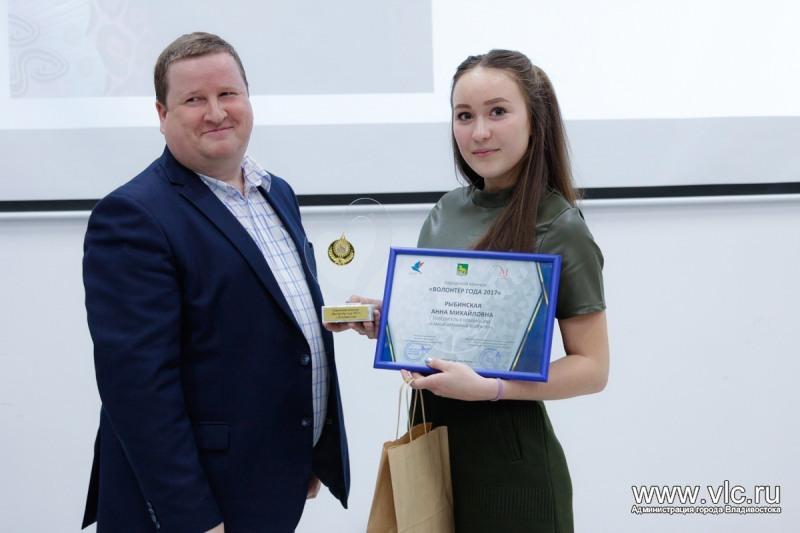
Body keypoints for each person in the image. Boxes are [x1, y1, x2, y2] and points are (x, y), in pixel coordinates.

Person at [328, 50, 609, 532]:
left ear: (535, 120)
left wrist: (493, 389)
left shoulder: (559, 225)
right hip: (431, 447)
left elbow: (593, 368)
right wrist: (392, 321)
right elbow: (447, 327)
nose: (479, 132)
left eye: (497, 112)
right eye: (464, 115)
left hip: (510, 467)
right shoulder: (446, 212)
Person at [81, 32, 349, 533]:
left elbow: (281, 325)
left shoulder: (276, 193)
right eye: (194, 100)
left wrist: (311, 452)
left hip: (269, 481)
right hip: (198, 505)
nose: (216, 112)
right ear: (162, 114)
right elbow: (138, 389)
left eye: (228, 94)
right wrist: (192, 519)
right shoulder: (133, 216)